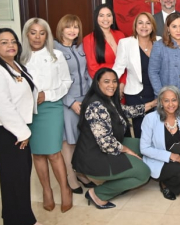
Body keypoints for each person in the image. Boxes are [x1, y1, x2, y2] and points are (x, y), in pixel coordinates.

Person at [0, 28, 44, 225]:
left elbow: (22, 90)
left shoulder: (14, 65)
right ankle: (21, 221)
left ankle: (14, 215)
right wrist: (22, 133)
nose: (11, 45)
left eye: (13, 41)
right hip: (3, 130)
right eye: (4, 42)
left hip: (14, 128)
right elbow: (3, 106)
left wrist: (36, 96)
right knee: (14, 176)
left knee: (19, 173)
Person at [72, 68, 156, 209]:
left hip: (106, 147)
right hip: (96, 156)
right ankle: (99, 194)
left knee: (145, 145)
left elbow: (127, 111)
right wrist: (127, 151)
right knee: (143, 174)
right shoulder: (96, 106)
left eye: (114, 81)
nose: (111, 85)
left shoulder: (107, 100)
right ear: (97, 83)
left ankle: (120, 180)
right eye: (106, 81)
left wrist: (153, 103)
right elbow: (107, 143)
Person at [21, 18, 73, 213]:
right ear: (27, 34)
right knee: (38, 153)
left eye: (42, 33)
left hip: (51, 107)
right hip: (28, 111)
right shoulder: (20, 58)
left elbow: (66, 82)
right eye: (33, 32)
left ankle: (65, 189)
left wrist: (47, 95)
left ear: (47, 35)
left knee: (53, 152)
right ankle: (46, 191)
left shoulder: (56, 56)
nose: (37, 37)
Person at [54, 14, 93, 194]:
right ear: (61, 29)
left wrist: (93, 95)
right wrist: (71, 103)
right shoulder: (55, 50)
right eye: (68, 27)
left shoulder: (80, 48)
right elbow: (54, 82)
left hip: (84, 99)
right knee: (68, 142)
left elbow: (86, 74)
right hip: (67, 102)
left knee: (80, 140)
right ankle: (71, 177)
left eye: (76, 27)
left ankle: (80, 172)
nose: (72, 31)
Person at [149, 12, 180, 133]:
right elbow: (153, 72)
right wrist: (161, 94)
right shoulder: (159, 46)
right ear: (168, 28)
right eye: (174, 26)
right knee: (170, 128)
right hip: (168, 93)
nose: (178, 30)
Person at [113, 12, 159, 137]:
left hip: (157, 93)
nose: (144, 26)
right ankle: (141, 156)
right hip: (136, 94)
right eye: (140, 23)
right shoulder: (126, 43)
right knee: (142, 132)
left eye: (148, 23)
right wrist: (108, 85)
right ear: (135, 26)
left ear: (153, 26)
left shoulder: (160, 42)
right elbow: (118, 68)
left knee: (158, 130)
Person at [83, 3, 125, 78]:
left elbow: (127, 62)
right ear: (96, 18)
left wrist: (123, 83)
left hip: (124, 82)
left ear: (113, 19)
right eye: (101, 15)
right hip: (103, 82)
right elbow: (93, 68)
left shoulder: (120, 35)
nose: (105, 19)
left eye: (109, 15)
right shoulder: (88, 39)